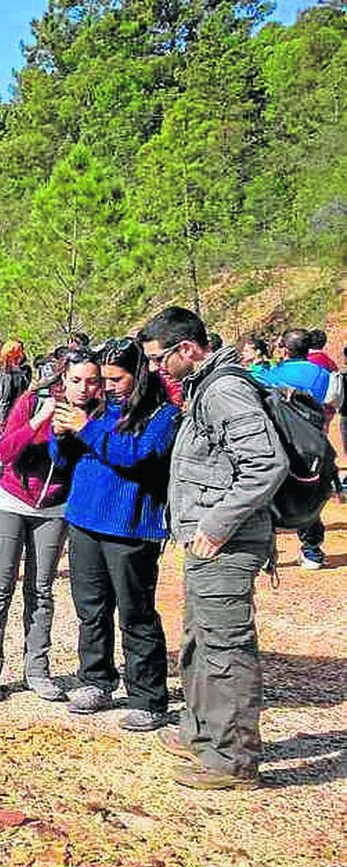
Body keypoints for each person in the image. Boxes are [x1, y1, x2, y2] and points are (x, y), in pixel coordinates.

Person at [141, 306, 286, 790]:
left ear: (187, 349)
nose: (158, 368)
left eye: (161, 359)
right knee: (201, 641)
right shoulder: (207, 385)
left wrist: (218, 525)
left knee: (225, 648)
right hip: (207, 541)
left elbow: (266, 464)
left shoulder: (224, 390)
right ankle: (202, 732)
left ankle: (231, 760)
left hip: (225, 542)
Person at [50, 338, 178, 731]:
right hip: (85, 520)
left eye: (115, 378)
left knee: (136, 614)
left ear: (138, 374)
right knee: (92, 610)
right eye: (102, 379)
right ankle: (96, 679)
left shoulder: (164, 415)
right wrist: (60, 435)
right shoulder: (98, 410)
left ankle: (148, 697)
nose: (106, 386)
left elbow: (135, 455)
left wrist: (86, 429)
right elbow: (63, 461)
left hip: (131, 527)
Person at [0, 350, 92, 703]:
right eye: (75, 380)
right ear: (62, 378)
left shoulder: (91, 413)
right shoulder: (32, 401)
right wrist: (40, 420)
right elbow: (6, 452)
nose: (83, 388)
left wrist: (77, 429)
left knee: (41, 591)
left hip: (54, 508)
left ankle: (37, 670)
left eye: (90, 381)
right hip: (10, 502)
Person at [257, 329, 332, 570]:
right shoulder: (321, 373)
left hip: (282, 439)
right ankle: (312, 551)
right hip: (315, 440)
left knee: (268, 494)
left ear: (285, 349)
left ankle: (267, 553)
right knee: (311, 490)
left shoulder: (274, 373)